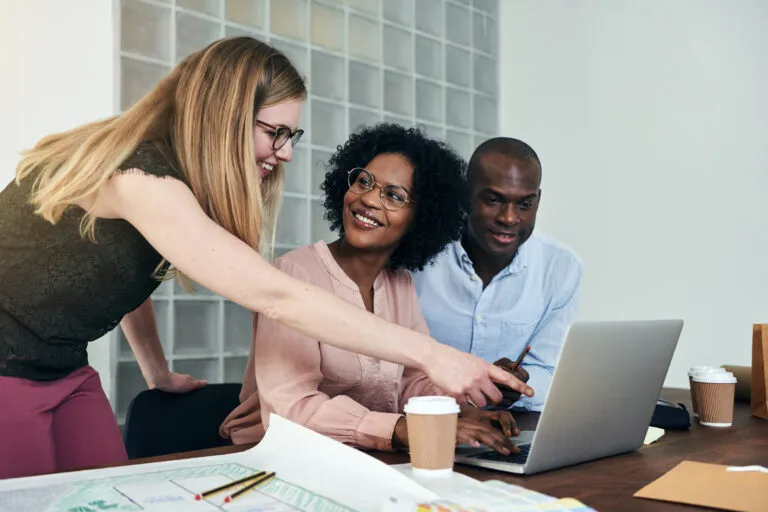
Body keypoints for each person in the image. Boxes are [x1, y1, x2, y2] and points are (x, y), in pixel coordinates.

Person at [0, 37, 529, 479]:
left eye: (291, 135)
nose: (286, 153)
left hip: (64, 366)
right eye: (275, 133)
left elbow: (120, 277)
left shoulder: (169, 187)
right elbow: (275, 296)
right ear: (223, 116)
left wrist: (155, 371)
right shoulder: (139, 179)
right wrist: (436, 355)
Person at [220, 124, 520, 455]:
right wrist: (403, 428)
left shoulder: (399, 283)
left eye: (394, 195)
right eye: (364, 181)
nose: (368, 200)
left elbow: (410, 382)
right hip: (270, 457)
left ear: (421, 218)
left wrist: (460, 413)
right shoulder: (295, 273)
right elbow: (291, 411)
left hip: (363, 458)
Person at [413, 137, 582, 412]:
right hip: (424, 423)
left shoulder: (561, 267)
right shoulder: (417, 256)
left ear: (538, 201)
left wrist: (520, 384)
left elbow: (548, 372)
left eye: (525, 204)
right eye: (493, 200)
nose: (509, 218)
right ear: (465, 195)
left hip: (508, 429)